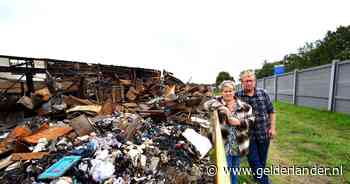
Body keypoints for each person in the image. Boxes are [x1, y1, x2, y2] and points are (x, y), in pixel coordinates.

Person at [204, 80, 254, 184]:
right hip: (223, 144)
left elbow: (251, 122)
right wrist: (224, 108)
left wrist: (239, 122)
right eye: (225, 91)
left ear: (234, 91)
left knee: (234, 171)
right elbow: (206, 104)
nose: (228, 93)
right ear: (221, 92)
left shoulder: (245, 106)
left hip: (238, 144)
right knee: (224, 172)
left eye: (230, 91)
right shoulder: (216, 102)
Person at [236, 70, 276, 184]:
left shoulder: (263, 93)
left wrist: (272, 128)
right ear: (242, 82)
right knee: (254, 161)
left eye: (251, 80)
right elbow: (225, 98)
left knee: (262, 161)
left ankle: (257, 178)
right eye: (246, 81)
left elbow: (271, 111)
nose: (249, 83)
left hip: (264, 133)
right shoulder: (237, 96)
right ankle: (265, 182)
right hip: (247, 136)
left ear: (255, 81)